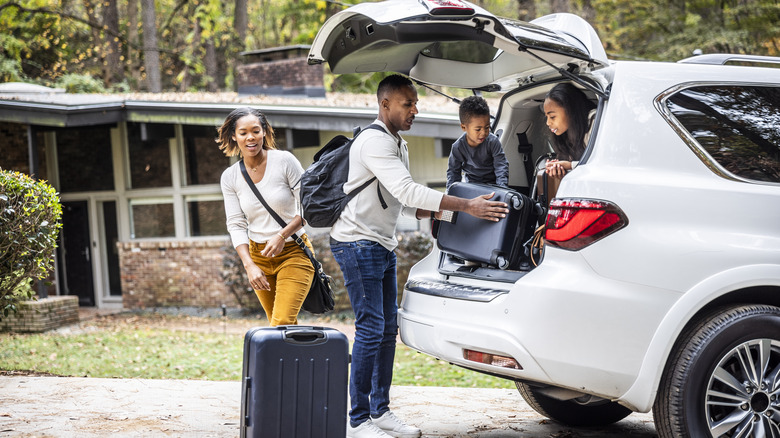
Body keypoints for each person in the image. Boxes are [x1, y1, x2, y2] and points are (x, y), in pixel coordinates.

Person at [330, 74, 509, 438]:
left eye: (415, 102)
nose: (415, 109)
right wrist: (466, 205)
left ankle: (380, 411)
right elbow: (409, 191)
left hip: (381, 242)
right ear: (385, 106)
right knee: (369, 329)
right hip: (356, 243)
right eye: (407, 103)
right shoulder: (373, 142)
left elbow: (402, 204)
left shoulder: (398, 144)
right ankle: (357, 420)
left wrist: (450, 216)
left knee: (386, 331)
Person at [218, 107, 314, 326]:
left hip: (293, 251)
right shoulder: (230, 177)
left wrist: (282, 235)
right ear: (234, 136)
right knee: (279, 327)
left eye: (256, 131)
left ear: (264, 132)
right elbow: (235, 224)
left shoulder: (284, 161)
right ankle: (295, 360)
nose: (250, 137)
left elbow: (308, 207)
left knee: (281, 323)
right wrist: (249, 265)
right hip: (258, 257)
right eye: (243, 133)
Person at [446, 95, 509, 189]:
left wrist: (502, 189)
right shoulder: (458, 147)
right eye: (478, 129)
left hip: (494, 185)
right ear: (464, 127)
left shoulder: (493, 142)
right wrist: (452, 193)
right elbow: (453, 173)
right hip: (473, 186)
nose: (483, 133)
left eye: (487, 127)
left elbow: (501, 166)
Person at [542, 82, 597, 178]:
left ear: (570, 110)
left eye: (552, 116)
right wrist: (558, 166)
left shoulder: (594, 121)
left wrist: (570, 166)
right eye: (547, 117)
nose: (548, 123)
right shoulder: (566, 134)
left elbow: (600, 165)